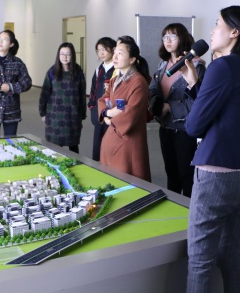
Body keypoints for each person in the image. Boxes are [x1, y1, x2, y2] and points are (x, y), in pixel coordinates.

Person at [183, 5, 240, 293]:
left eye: (217, 24)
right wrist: (196, 84)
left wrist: (198, 89)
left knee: (200, 262)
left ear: (234, 32)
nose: (212, 30)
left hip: (214, 176)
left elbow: (194, 125)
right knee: (229, 256)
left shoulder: (222, 67)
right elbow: (228, 112)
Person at [149, 23, 206, 197]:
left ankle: (188, 209)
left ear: (182, 38)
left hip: (185, 129)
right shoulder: (163, 65)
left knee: (186, 175)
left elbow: (197, 101)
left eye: (172, 36)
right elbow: (153, 90)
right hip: (165, 126)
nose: (167, 40)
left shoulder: (196, 66)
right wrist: (156, 104)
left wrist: (169, 107)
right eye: (165, 37)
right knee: (171, 172)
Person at [98, 36, 151, 181]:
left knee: (129, 182)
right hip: (113, 138)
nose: (114, 56)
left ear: (132, 59)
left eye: (120, 53)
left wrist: (111, 120)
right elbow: (103, 99)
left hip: (127, 142)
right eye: (115, 52)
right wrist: (107, 112)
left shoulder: (138, 82)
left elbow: (131, 112)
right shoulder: (116, 79)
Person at [39, 42, 87, 153]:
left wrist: (82, 113)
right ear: (58, 55)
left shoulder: (78, 72)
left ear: (72, 55)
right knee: (55, 148)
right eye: (62, 54)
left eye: (68, 54)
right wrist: (43, 113)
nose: (65, 57)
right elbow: (44, 93)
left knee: (73, 146)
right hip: (55, 116)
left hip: (72, 115)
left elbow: (82, 94)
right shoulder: (52, 72)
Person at [88, 37, 116, 161]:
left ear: (113, 49)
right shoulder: (99, 69)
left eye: (104, 50)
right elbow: (93, 90)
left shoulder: (117, 69)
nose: (101, 53)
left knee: (111, 143)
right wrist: (92, 106)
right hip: (99, 111)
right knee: (98, 143)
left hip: (112, 111)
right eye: (98, 50)